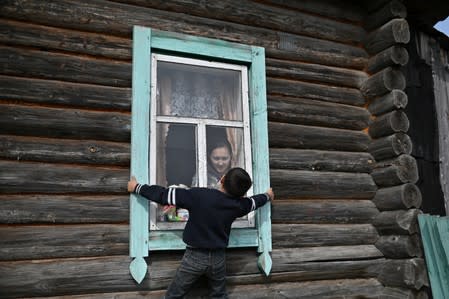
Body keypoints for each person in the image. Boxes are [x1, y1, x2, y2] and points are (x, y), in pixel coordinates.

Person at [127, 167, 274, 299]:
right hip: (218, 258)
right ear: (242, 194)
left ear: (222, 179)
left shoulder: (199, 196)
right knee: (219, 294)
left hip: (194, 257)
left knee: (174, 295)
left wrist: (137, 187)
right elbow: (254, 202)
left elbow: (164, 195)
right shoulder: (238, 205)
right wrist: (267, 195)